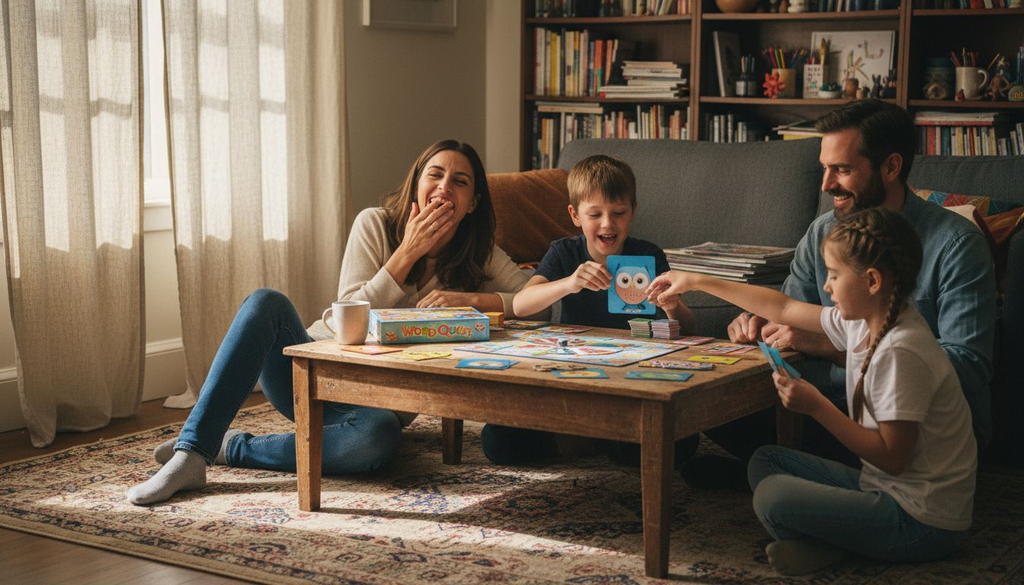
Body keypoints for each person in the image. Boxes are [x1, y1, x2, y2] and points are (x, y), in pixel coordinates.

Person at [128, 140, 537, 505]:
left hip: (380, 408)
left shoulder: (478, 252)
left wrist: (473, 299)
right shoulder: (374, 223)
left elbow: (536, 303)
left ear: (473, 202)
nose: (445, 186)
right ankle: (192, 451)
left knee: (377, 441)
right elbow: (345, 318)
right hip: (317, 374)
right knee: (265, 302)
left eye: (460, 181)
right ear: (417, 184)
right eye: (435, 174)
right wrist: (406, 254)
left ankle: (233, 448)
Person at [682, 99, 995, 487]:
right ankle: (786, 473)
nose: (827, 185)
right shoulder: (822, 231)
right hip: (833, 404)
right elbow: (789, 314)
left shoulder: (956, 245)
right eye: (825, 168)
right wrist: (760, 326)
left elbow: (969, 367)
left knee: (778, 444)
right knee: (711, 405)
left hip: (920, 433)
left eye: (842, 170)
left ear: (891, 167)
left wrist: (833, 348)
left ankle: (779, 475)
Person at [648, 208, 977, 576]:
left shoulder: (900, 350)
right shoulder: (865, 320)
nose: (826, 286)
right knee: (765, 461)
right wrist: (696, 280)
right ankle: (828, 542)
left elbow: (891, 458)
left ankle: (831, 544)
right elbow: (783, 307)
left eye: (834, 275)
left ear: (871, 281)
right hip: (881, 487)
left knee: (773, 497)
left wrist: (816, 405)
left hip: (922, 521)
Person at [481, 154, 697, 465]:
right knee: (496, 440)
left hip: (633, 385)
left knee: (682, 443)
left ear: (633, 211)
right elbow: (521, 305)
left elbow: (688, 328)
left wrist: (673, 307)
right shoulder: (565, 252)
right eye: (594, 214)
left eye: (618, 212)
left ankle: (593, 439)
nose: (608, 224)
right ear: (575, 215)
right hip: (575, 383)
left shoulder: (648, 254)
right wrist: (568, 283)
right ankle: (593, 439)